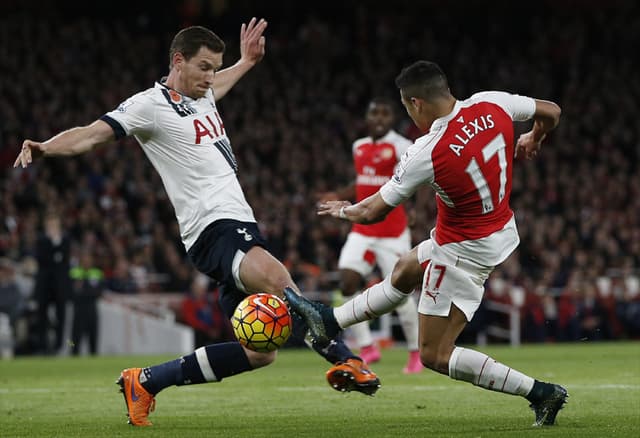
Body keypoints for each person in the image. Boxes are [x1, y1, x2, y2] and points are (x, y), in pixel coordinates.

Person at [13, 19, 379, 427]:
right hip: (212, 227)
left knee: (261, 351)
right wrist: (46, 147)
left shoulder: (203, 94)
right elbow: (93, 134)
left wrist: (245, 63)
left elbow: (218, 85)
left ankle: (147, 381)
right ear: (178, 61)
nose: (210, 77)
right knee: (280, 282)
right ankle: (348, 360)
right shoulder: (148, 105)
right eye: (204, 67)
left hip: (237, 224)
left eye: (214, 68)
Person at [285, 60, 569, 427]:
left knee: (434, 354)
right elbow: (552, 111)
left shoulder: (428, 150)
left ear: (415, 103)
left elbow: (372, 212)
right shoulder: (492, 102)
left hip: (461, 250)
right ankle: (330, 321)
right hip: (495, 229)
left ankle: (541, 393)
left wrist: (342, 211)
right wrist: (535, 135)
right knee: (404, 269)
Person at [317, 97, 422, 373]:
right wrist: (338, 196)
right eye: (374, 113)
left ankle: (415, 352)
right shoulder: (359, 146)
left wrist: (415, 209)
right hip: (362, 228)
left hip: (392, 231)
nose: (379, 119)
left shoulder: (402, 146)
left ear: (392, 119)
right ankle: (367, 346)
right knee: (346, 281)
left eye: (385, 114)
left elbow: (416, 179)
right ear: (367, 117)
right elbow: (364, 182)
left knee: (401, 294)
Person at [33, 212, 71, 354]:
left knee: (61, 317)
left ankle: (58, 346)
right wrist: (55, 248)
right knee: (41, 316)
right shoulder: (41, 240)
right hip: (44, 285)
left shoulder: (65, 239)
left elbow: (65, 260)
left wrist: (56, 248)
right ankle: (42, 346)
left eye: (54, 225)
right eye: (50, 225)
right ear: (46, 226)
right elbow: (42, 259)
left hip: (60, 286)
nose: (52, 228)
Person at [69, 249, 104, 355]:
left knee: (93, 338)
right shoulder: (74, 272)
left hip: (92, 309)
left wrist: (83, 290)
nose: (86, 261)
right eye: (84, 258)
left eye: (89, 258)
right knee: (74, 339)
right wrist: (87, 291)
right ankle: (73, 356)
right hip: (79, 309)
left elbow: (99, 292)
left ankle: (93, 359)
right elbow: (72, 292)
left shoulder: (97, 273)